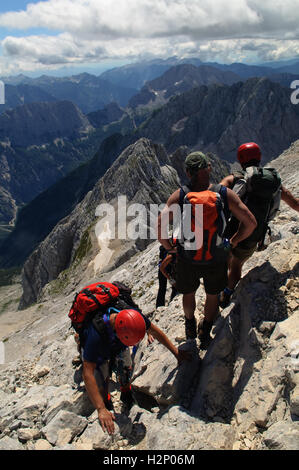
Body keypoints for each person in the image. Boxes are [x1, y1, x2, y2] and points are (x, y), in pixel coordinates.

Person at [157, 151, 257, 347]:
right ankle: (206, 329)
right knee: (212, 295)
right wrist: (233, 241)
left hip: (187, 257)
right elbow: (251, 223)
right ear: (208, 168)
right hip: (217, 257)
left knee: (188, 293)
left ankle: (190, 324)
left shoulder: (180, 195)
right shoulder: (224, 194)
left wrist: (171, 249)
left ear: (187, 172)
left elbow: (160, 227)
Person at [81, 304, 191, 435]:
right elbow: (87, 373)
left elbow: (155, 331)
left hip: (116, 342)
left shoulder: (134, 318)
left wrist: (176, 353)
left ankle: (126, 395)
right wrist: (101, 409)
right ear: (120, 333)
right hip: (101, 348)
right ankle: (107, 402)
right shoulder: (95, 335)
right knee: (102, 377)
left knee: (126, 366)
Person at [219, 142, 299, 308]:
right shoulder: (273, 183)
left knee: (223, 262)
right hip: (255, 234)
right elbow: (294, 203)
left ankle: (217, 293)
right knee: (237, 264)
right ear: (259, 158)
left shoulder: (236, 178)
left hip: (230, 230)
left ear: (241, 159)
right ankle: (227, 293)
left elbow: (216, 196)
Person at [156, 244, 178, 308]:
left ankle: (172, 301)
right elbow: (162, 268)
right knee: (162, 287)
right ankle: (159, 307)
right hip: (163, 270)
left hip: (171, 269)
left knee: (175, 287)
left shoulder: (180, 254)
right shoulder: (171, 256)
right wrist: (171, 279)